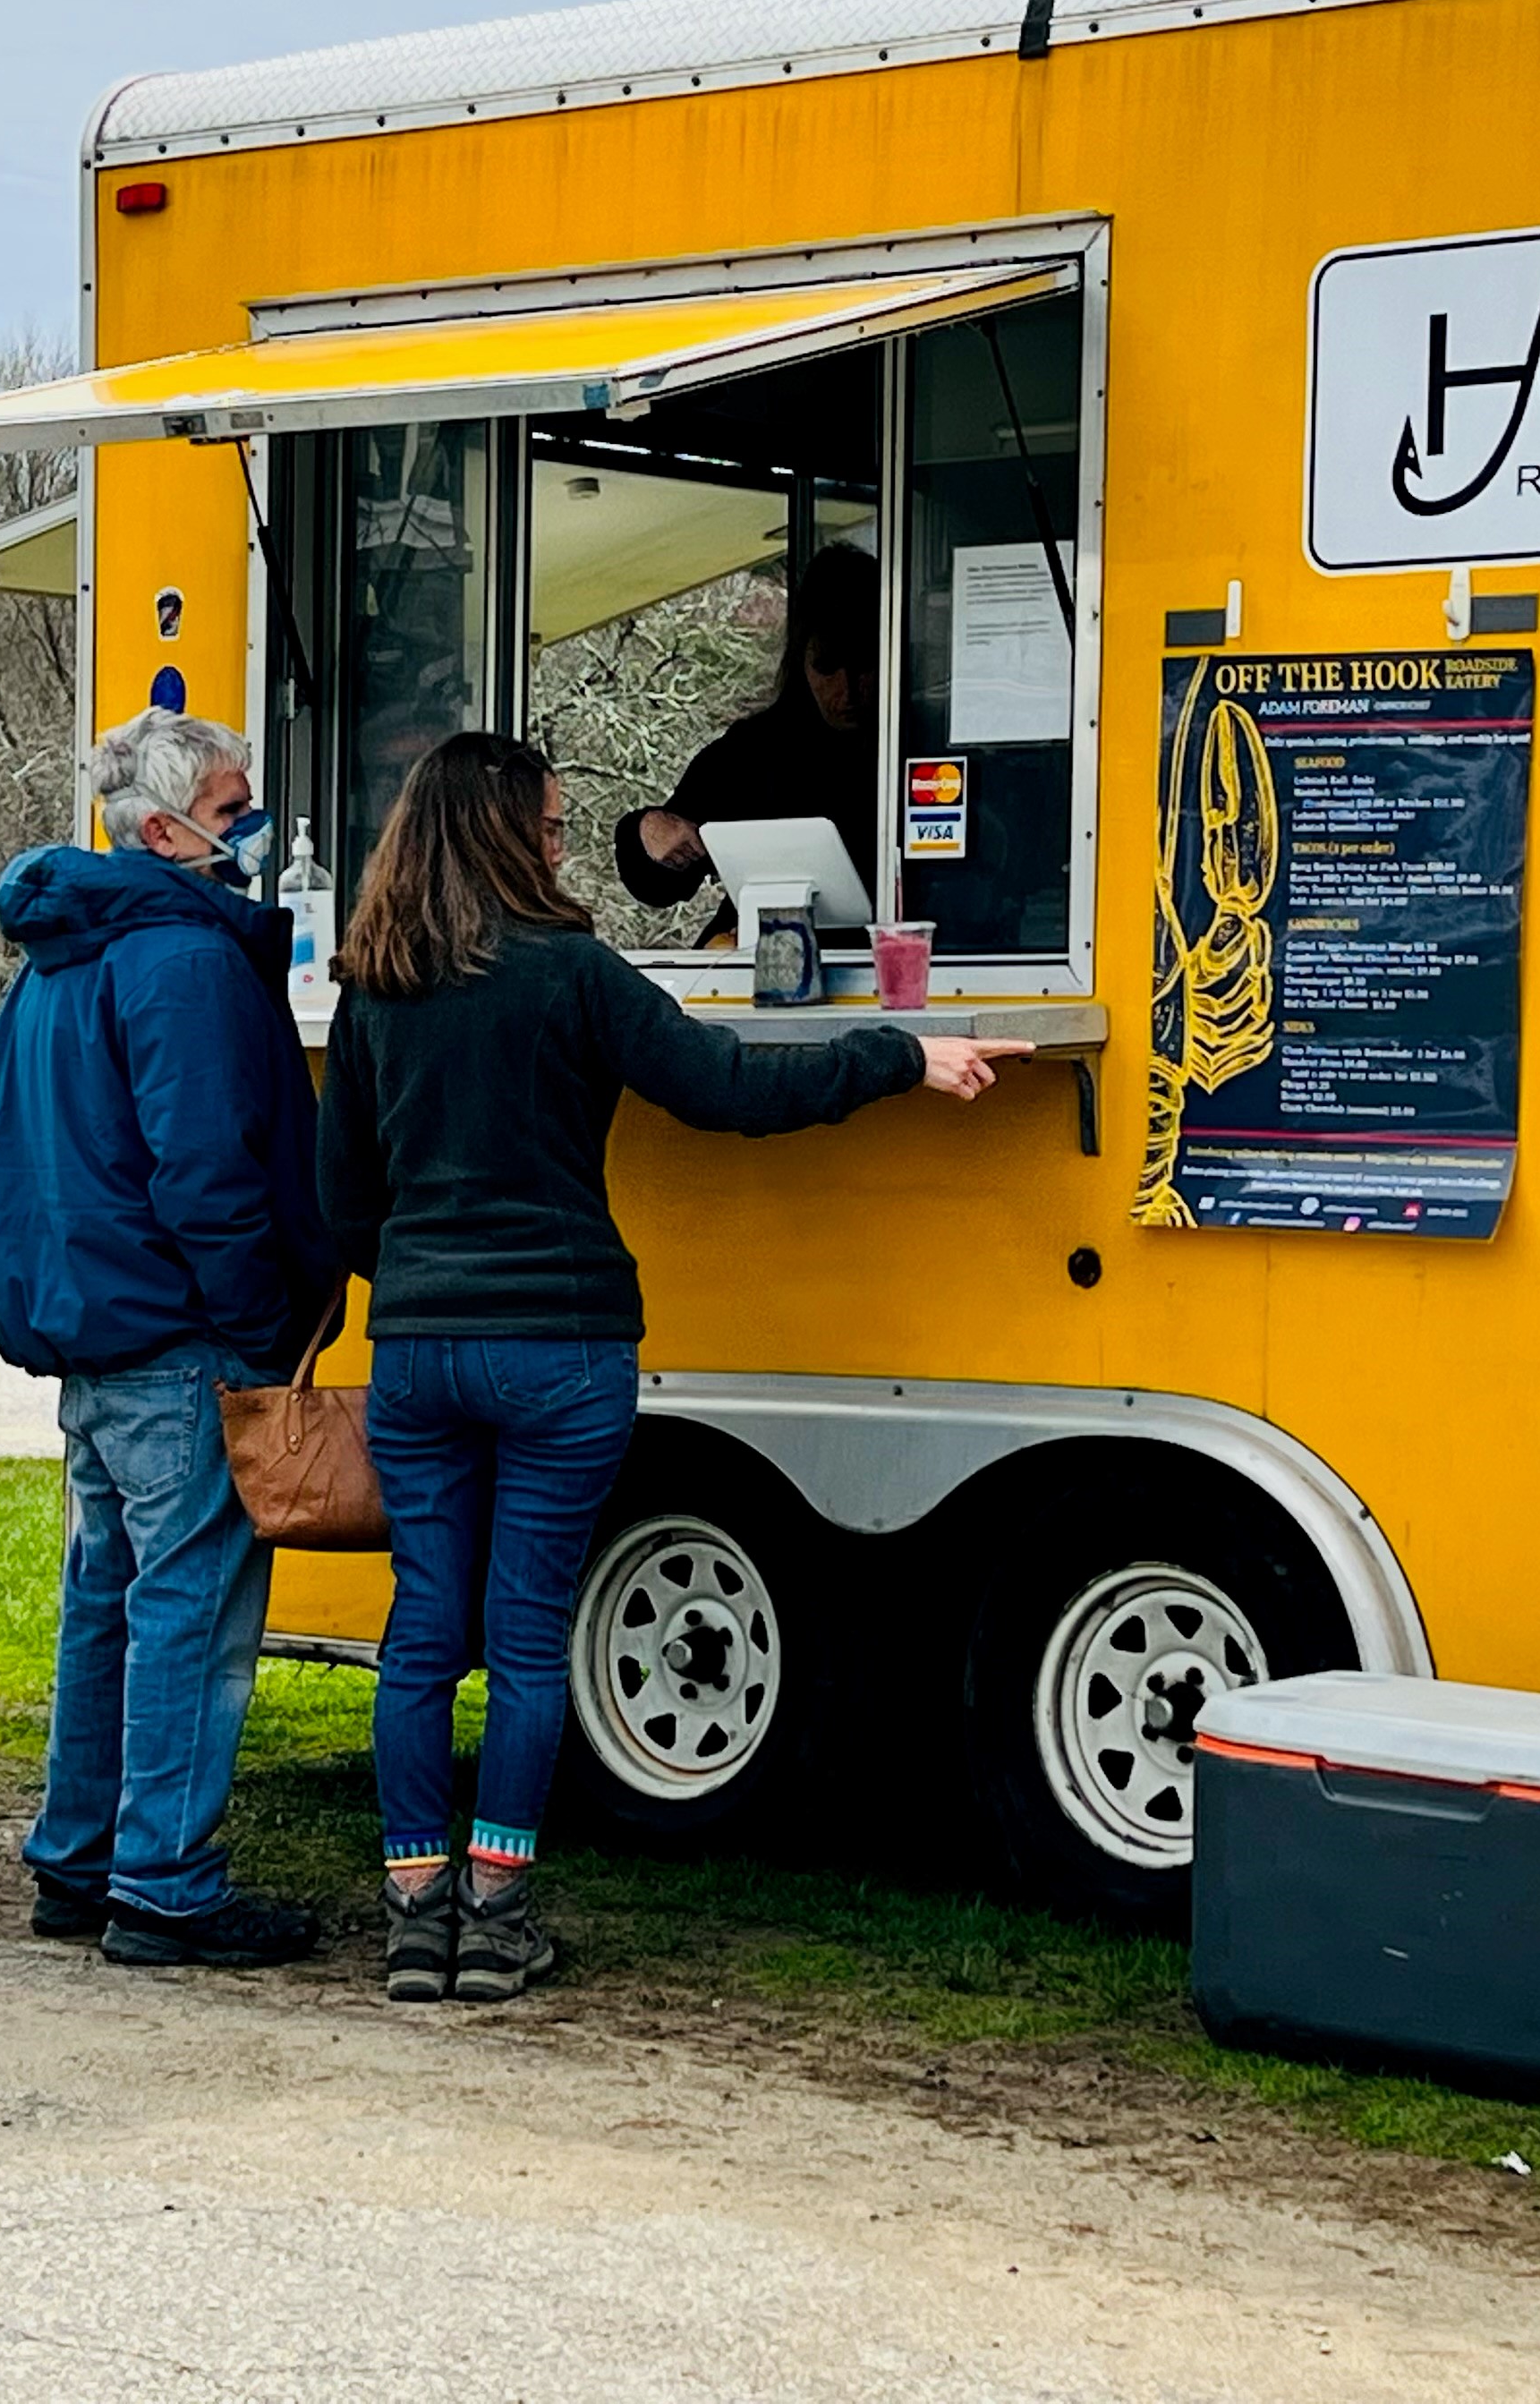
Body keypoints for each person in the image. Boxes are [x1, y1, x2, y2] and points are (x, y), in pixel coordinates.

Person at [320, 731, 1026, 2004]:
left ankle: (414, 1912)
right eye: (547, 827)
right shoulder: (571, 972)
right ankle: (496, 1912)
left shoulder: (376, 985)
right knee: (526, 1638)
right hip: (563, 1348)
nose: (558, 848)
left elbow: (342, 1203)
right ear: (502, 834)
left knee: (421, 1632)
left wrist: (423, 1284)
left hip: (419, 1353)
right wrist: (900, 1055)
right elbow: (727, 1089)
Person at [0, 707, 336, 1970]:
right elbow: (208, 1173)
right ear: (172, 829)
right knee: (191, 1606)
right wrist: (260, 1329)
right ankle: (166, 1880)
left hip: (89, 1328)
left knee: (106, 1599)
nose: (255, 829)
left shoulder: (56, 958)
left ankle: (80, 1856)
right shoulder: (184, 960)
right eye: (235, 808)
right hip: (180, 1332)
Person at [614, 539, 880, 927]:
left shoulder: (925, 744)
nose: (847, 690)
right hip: (766, 949)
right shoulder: (757, 751)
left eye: (863, 665)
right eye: (826, 667)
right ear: (800, 662)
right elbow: (660, 883)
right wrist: (647, 830)